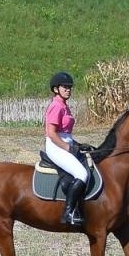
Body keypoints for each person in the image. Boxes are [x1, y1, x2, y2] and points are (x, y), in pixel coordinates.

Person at [43, 71, 89, 226]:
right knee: (82, 174)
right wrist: (68, 148)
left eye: (70, 87)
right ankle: (68, 213)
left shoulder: (65, 106)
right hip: (56, 147)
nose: (68, 89)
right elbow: (52, 133)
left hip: (64, 143)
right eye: (65, 86)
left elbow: (66, 134)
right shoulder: (56, 106)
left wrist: (78, 145)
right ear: (56, 89)